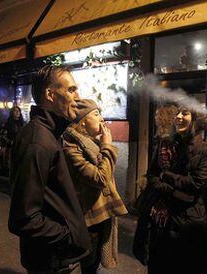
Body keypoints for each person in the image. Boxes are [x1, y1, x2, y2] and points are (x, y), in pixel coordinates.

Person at [8, 65, 91, 274]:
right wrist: (68, 235)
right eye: (71, 90)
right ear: (50, 94)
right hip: (52, 262)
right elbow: (24, 219)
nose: (77, 96)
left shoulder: (49, 133)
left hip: (58, 259)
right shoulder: (37, 141)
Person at [133, 104, 207, 274]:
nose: (178, 117)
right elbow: (152, 176)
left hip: (189, 223)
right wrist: (173, 190)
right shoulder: (166, 144)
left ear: (196, 119)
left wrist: (166, 176)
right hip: (162, 221)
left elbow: (197, 184)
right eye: (177, 113)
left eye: (184, 113)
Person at [62, 99, 128, 274]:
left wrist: (103, 145)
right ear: (83, 121)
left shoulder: (94, 143)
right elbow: (101, 178)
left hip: (101, 216)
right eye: (96, 114)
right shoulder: (71, 147)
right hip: (89, 219)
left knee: (95, 263)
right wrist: (107, 145)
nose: (102, 119)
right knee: (89, 266)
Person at [1, 106, 25, 174]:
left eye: (19, 111)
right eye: (15, 111)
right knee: (10, 166)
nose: (17, 112)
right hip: (11, 148)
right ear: (12, 112)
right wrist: (10, 142)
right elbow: (3, 135)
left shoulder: (22, 124)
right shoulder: (8, 124)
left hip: (20, 147)